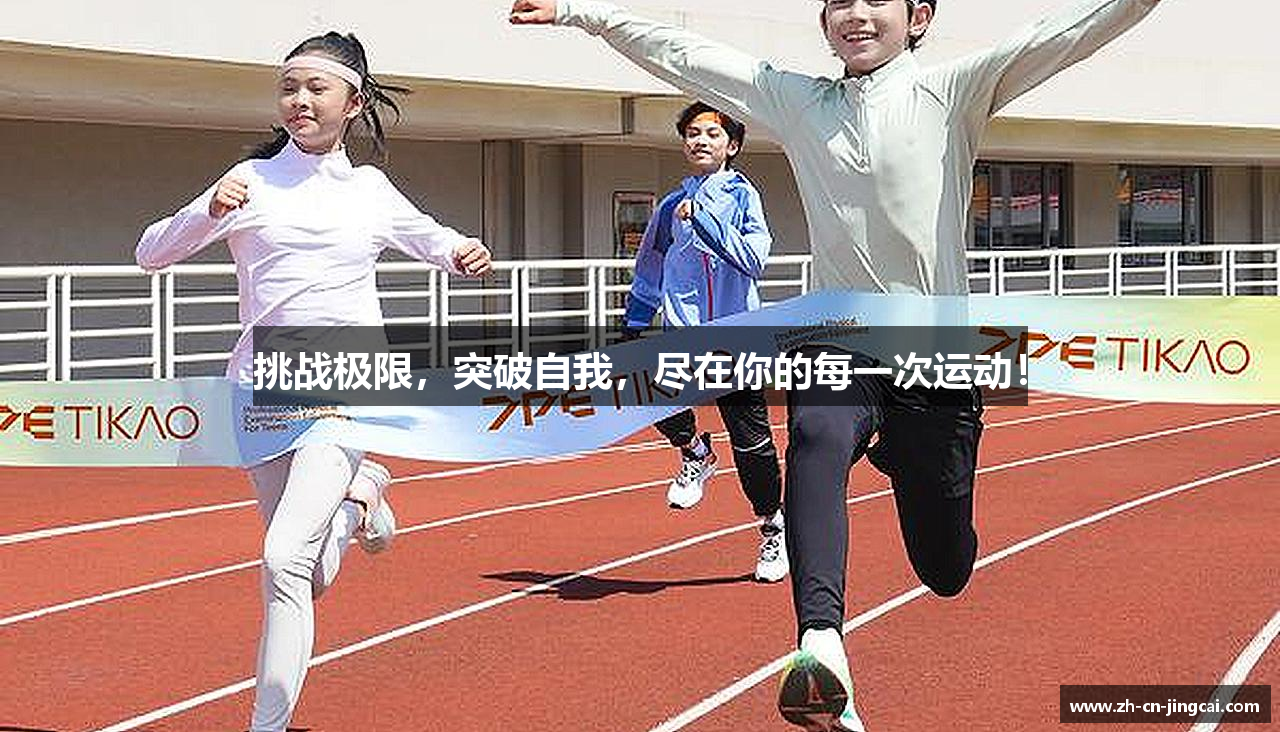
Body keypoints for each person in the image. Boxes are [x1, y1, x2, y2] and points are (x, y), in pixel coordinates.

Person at [509, 0, 1164, 729]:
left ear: (918, 16)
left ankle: (904, 458)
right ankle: (821, 644)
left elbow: (1063, 35)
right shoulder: (800, 103)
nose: (855, 14)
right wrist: (584, 13)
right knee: (814, 437)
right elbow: (689, 56)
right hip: (839, 334)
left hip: (934, 351)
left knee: (945, 569)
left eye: (875, 0)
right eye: (838, 2)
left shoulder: (955, 89)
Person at [135, 32, 492, 732]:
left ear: (352, 103)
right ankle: (362, 501)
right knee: (310, 572)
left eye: (315, 88)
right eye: (288, 87)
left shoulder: (369, 190)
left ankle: (265, 725)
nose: (299, 99)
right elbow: (151, 254)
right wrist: (207, 211)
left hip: (346, 383)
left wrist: (462, 252)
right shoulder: (249, 182)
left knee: (281, 559)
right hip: (262, 386)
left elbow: (431, 238)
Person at [622, 101, 786, 582]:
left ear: (731, 146)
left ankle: (772, 527)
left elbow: (753, 259)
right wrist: (635, 320)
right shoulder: (670, 206)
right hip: (683, 329)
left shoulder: (743, 197)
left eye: (712, 134)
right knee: (643, 392)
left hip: (736, 336)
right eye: (693, 133)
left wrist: (706, 223)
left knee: (751, 443)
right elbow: (651, 266)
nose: (700, 141)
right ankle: (694, 451)